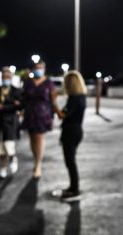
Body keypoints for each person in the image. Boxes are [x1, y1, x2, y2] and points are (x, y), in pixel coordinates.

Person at [21, 60, 59, 178]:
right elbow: (23, 98)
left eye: (40, 67)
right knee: (32, 138)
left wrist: (53, 116)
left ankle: (38, 164)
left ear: (44, 69)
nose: (38, 69)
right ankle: (35, 159)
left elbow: (53, 101)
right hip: (29, 113)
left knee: (39, 137)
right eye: (36, 67)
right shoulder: (28, 82)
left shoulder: (49, 83)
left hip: (43, 115)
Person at [56, 70, 87, 202]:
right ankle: (72, 187)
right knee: (70, 161)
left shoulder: (75, 99)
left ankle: (74, 190)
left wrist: (53, 104)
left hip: (71, 132)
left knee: (70, 162)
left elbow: (62, 115)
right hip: (76, 131)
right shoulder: (81, 97)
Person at [0, 66, 22, 178]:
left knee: (9, 145)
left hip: (11, 122)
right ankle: (3, 167)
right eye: (4, 76)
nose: (5, 78)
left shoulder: (16, 91)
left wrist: (2, 107)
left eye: (8, 76)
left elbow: (18, 106)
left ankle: (13, 159)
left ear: (11, 77)